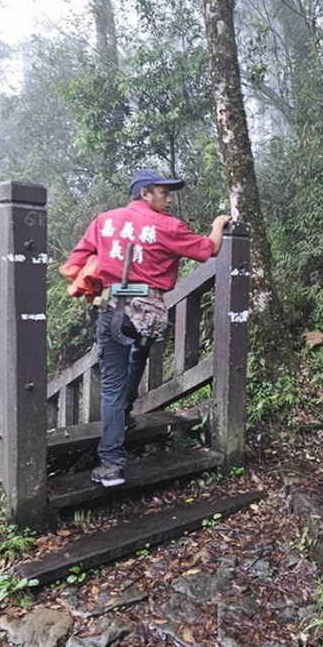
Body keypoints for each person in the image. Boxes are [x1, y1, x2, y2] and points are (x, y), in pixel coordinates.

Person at [62, 168, 232, 487]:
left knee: (112, 386)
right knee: (137, 359)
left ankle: (111, 464)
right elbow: (210, 248)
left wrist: (101, 275)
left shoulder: (104, 221)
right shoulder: (167, 226)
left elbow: (75, 263)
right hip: (150, 314)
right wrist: (219, 224)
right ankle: (124, 418)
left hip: (114, 309)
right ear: (145, 193)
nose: (169, 199)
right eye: (164, 193)